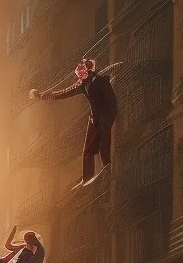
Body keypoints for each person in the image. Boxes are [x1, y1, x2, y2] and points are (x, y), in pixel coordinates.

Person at [30, 58, 118, 187]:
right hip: (95, 119)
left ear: (90, 70)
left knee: (104, 144)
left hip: (105, 116)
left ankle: (107, 169)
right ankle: (87, 177)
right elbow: (66, 92)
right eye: (80, 71)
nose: (81, 73)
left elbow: (112, 102)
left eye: (84, 70)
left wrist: (109, 118)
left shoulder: (101, 80)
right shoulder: (83, 85)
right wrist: (47, 95)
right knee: (88, 150)